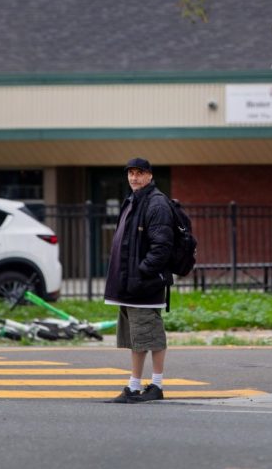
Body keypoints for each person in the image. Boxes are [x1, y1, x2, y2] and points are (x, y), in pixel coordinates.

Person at [103, 157, 173, 403]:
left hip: (144, 284)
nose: (134, 177)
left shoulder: (156, 204)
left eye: (139, 173)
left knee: (150, 335)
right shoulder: (134, 200)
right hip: (129, 285)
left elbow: (162, 247)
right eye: (131, 173)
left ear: (150, 176)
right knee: (137, 339)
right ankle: (133, 386)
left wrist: (142, 272)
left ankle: (156, 386)